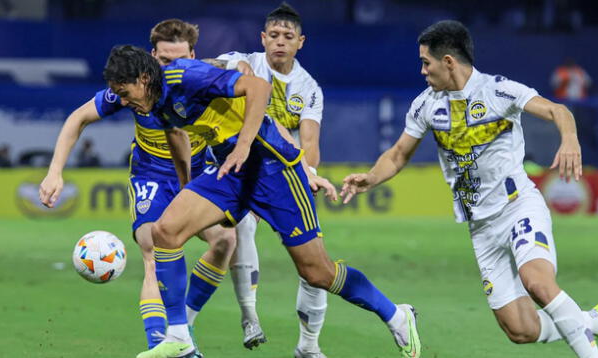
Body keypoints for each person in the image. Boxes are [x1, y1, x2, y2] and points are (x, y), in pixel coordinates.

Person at [101, 45, 421, 358]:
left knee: (317, 272)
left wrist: (242, 146)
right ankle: (179, 336)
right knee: (165, 232)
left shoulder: (183, 76)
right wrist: (188, 188)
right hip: (232, 170)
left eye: (125, 92)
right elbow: (176, 136)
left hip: (272, 165)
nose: (125, 101)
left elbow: (258, 86)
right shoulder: (153, 103)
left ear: (143, 78)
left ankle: (395, 315)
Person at [341, 20, 598, 358]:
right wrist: (371, 177)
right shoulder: (425, 105)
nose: (422, 70)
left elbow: (557, 110)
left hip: (518, 206)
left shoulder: (497, 91)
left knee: (537, 283)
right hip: (482, 227)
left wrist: (569, 139)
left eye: (425, 62)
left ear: (448, 61)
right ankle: (596, 321)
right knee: (520, 330)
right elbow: (399, 153)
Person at [39, 19, 243, 358]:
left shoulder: (200, 84)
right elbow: (77, 118)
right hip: (151, 175)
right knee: (152, 249)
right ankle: (159, 345)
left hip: (194, 176)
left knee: (225, 241)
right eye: (164, 59)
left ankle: (184, 328)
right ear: (152, 59)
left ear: (193, 55)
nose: (171, 67)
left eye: (178, 59)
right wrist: (54, 172)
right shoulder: (131, 88)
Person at [204, 3, 329, 357]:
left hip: (285, 175)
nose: (279, 42)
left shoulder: (309, 88)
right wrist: (230, 66)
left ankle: (308, 346)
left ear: (300, 42)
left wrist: (309, 175)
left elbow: (310, 144)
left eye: (288, 36)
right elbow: (204, 68)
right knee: (241, 229)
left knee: (314, 262)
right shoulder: (244, 60)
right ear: (262, 38)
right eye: (273, 35)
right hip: (243, 169)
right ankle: (250, 318)